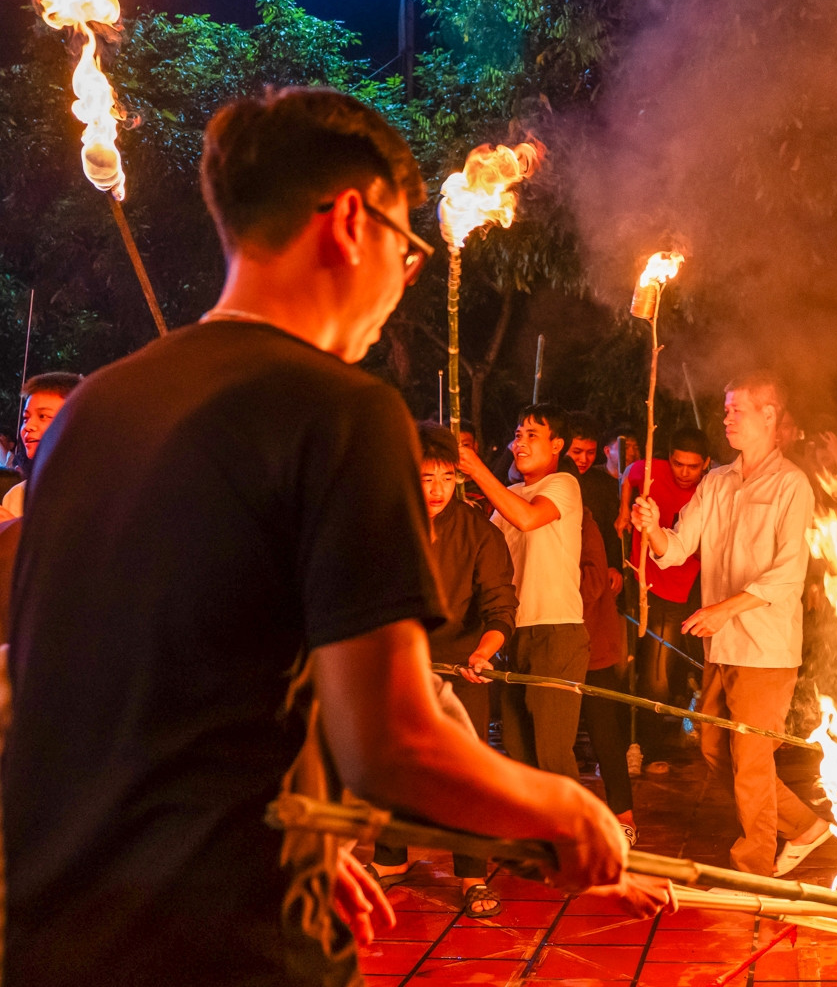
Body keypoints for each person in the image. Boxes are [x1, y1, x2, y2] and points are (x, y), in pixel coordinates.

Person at [2, 87, 668, 987]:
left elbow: (105, 699)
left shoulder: (90, 413)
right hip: (227, 949)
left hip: (52, 930)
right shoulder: (342, 412)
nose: (405, 278)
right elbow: (389, 740)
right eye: (410, 248)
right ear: (353, 220)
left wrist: (296, 828)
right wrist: (556, 806)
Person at [630, 373, 825, 877]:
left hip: (766, 647)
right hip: (721, 644)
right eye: (726, 409)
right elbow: (676, 551)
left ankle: (753, 866)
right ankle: (803, 825)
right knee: (716, 747)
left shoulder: (791, 484)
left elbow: (787, 574)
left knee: (752, 758)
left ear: (769, 415)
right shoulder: (716, 481)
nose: (727, 418)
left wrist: (724, 608)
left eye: (737, 409)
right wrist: (652, 530)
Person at [366, 423, 521, 915]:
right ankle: (390, 859)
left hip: (461, 669)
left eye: (446, 478)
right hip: (399, 664)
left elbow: (501, 610)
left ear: (459, 479)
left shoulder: (481, 532)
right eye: (425, 477)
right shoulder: (387, 525)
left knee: (466, 774)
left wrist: (483, 654)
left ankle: (472, 874)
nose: (435, 490)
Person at [459, 405, 593, 788]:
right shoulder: (510, 494)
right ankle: (533, 841)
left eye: (533, 435)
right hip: (513, 633)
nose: (520, 443)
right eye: (518, 435)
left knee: (551, 753)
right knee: (517, 750)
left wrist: (476, 470)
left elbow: (528, 518)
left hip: (556, 631)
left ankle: (567, 840)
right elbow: (484, 554)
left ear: (557, 445)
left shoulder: (563, 485)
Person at [617, 426, 714, 773]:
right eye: (678, 464)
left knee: (658, 674)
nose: (684, 473)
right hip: (638, 579)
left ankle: (652, 746)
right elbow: (629, 474)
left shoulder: (711, 488)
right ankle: (626, 745)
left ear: (706, 464)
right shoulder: (650, 470)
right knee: (626, 665)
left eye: (692, 466)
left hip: (677, 588)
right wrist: (624, 509)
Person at [577, 504, 635, 838]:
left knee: (604, 729)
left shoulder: (584, 521)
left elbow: (595, 581)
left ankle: (623, 816)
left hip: (590, 638)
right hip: (542, 638)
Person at [0, 372, 82, 521]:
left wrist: (13, 531)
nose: (28, 427)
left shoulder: (96, 492)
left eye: (43, 416)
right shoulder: (17, 495)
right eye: (26, 418)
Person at [567, 410, 623, 568]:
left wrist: (613, 566)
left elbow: (612, 532)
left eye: (590, 453)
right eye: (577, 452)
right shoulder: (549, 479)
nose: (584, 460)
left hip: (594, 568)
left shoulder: (603, 484)